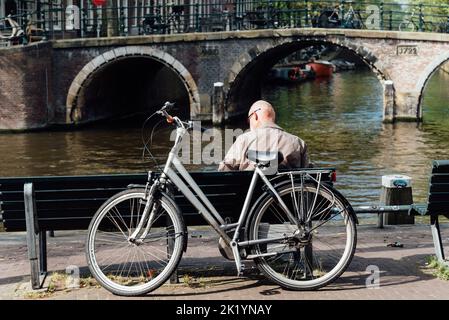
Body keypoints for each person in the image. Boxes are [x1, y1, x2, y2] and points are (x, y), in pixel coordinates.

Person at [218, 100, 309, 171]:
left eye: (248, 120)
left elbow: (225, 168)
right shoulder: (298, 142)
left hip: (250, 193)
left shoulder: (244, 140)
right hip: (286, 194)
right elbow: (309, 171)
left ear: (255, 116)